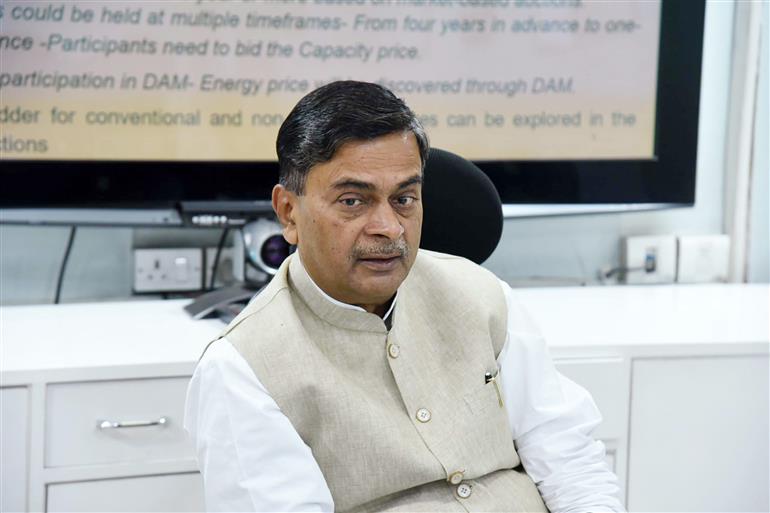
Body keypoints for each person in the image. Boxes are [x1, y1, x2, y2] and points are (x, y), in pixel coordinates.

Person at [184, 81, 624, 512]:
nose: (389, 228)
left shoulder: (483, 296)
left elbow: (568, 457)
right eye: (353, 201)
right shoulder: (243, 368)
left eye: (404, 199)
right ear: (289, 213)